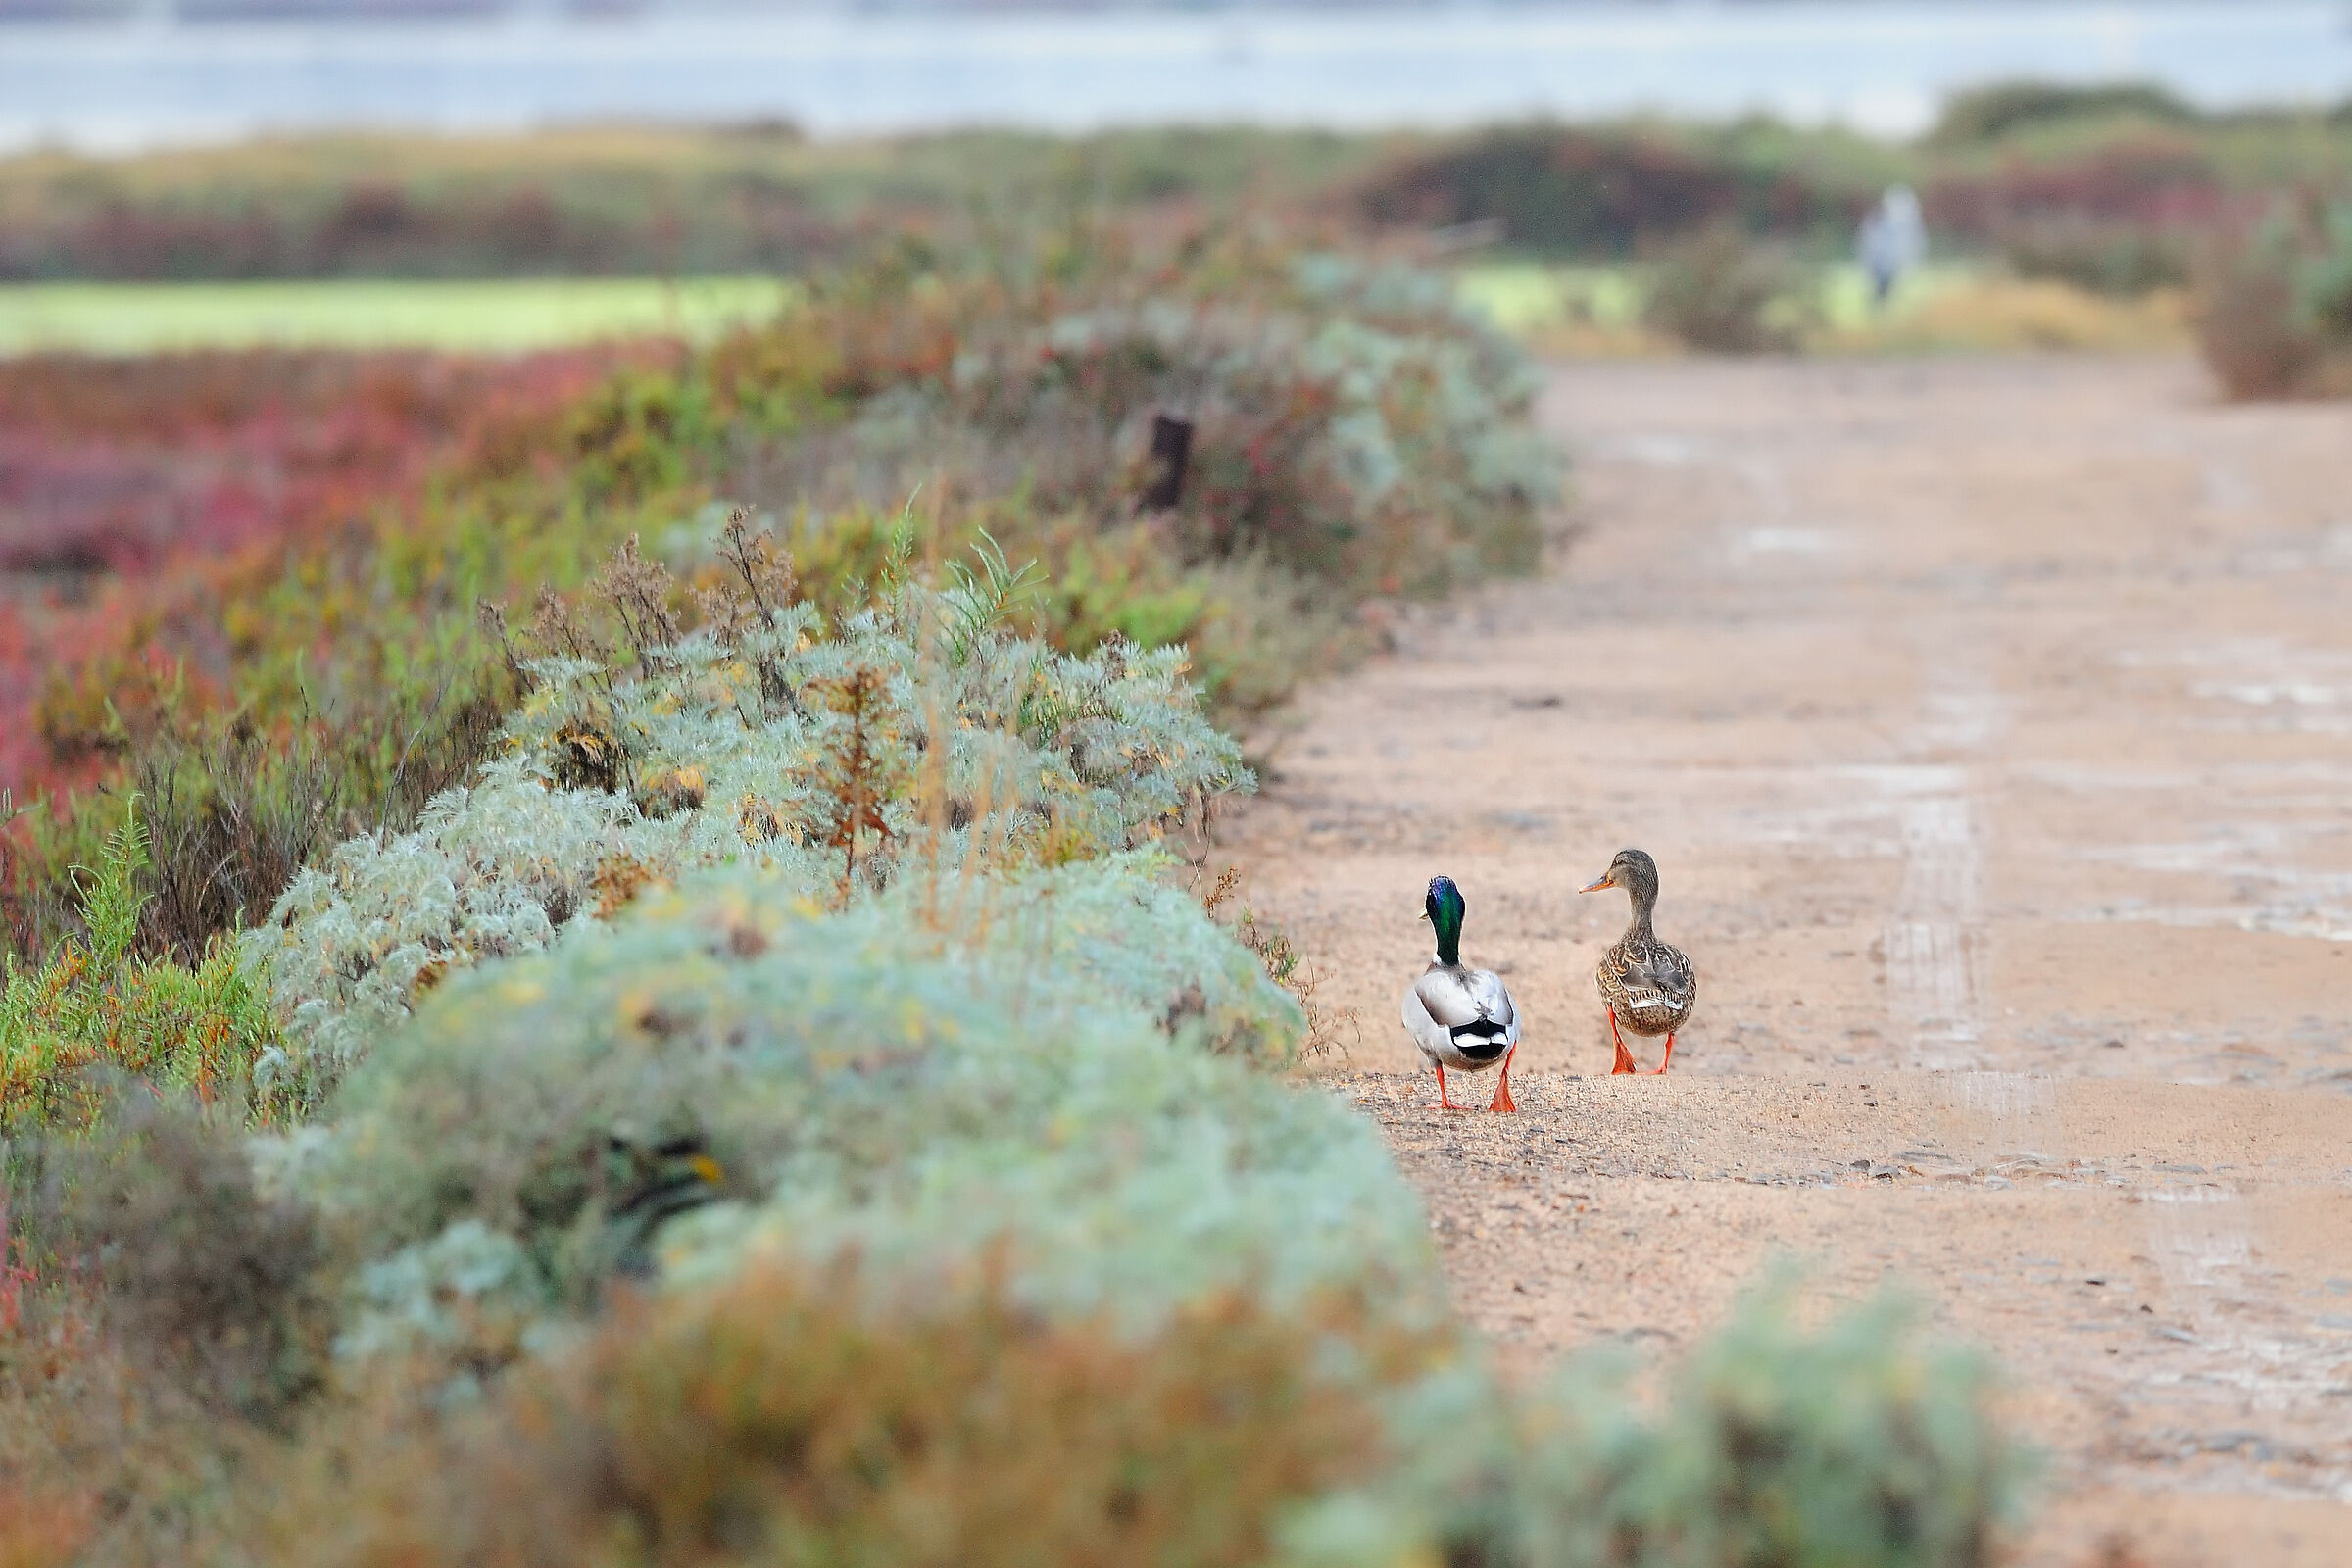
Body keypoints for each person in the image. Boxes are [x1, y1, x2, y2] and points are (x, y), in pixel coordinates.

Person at [1857, 184, 1927, 305]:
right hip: (1881, 260)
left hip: (1888, 261)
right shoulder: (1877, 219)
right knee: (1881, 281)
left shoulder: (1900, 223)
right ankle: (1879, 301)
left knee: (1886, 282)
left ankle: (1881, 300)